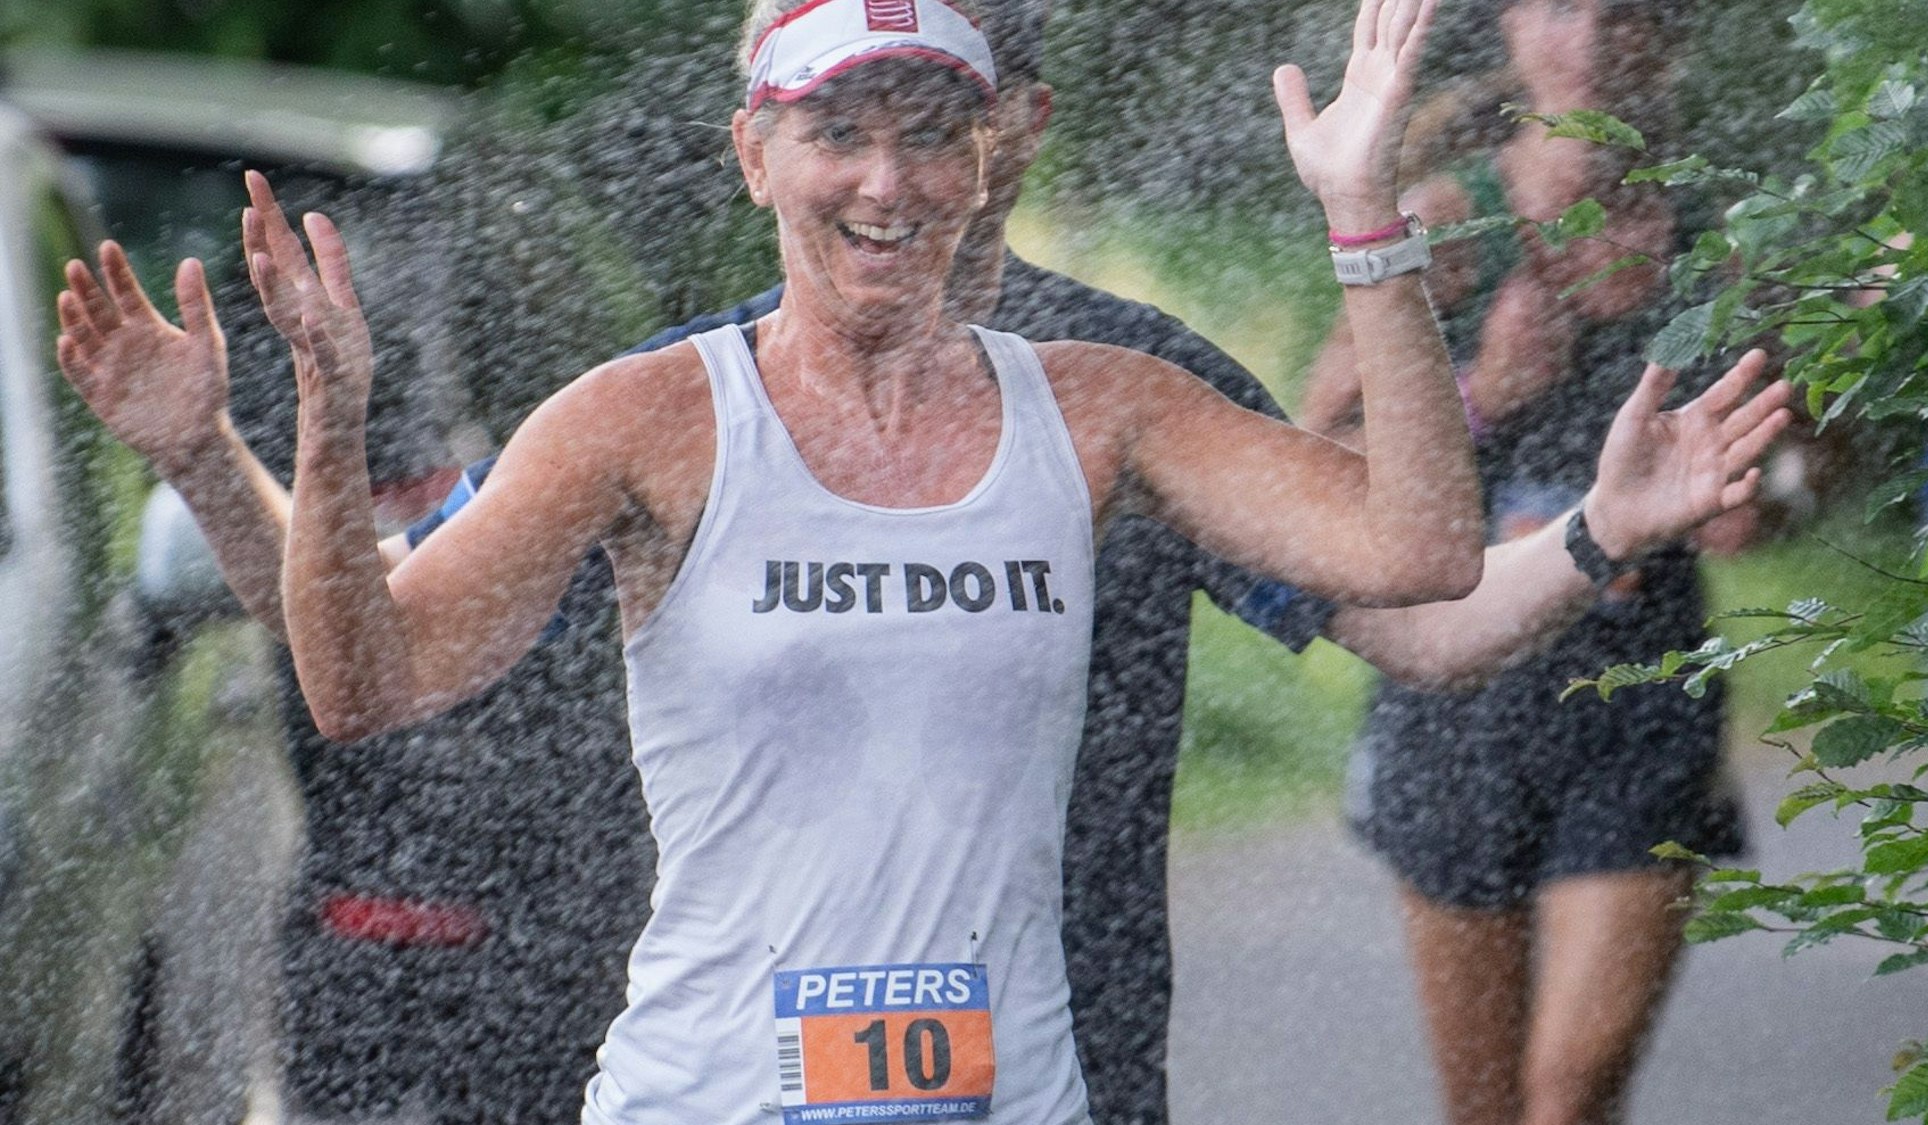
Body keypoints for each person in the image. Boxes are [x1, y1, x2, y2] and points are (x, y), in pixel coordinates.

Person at [52, 2, 1795, 1121]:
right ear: (755, 154)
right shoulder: (645, 416)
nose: (885, 180)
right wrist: (246, 443)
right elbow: (375, 670)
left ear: (1000, 146)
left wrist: (1369, 229)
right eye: (835, 131)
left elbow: (1412, 568)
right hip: (716, 1092)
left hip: (1045, 1079)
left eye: (928, 130)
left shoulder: (1117, 395)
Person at [1301, 3, 1749, 1123]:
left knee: (1570, 1092)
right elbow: (1315, 460)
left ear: (1666, 33)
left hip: (1646, 702)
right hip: (1457, 705)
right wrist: (1484, 394)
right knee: (1487, 1108)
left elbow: (1797, 479)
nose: (1590, 38)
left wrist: (1772, 488)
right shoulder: (1445, 223)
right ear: (1506, 21)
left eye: (1622, 11)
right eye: (1559, 4)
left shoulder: (1717, 246)